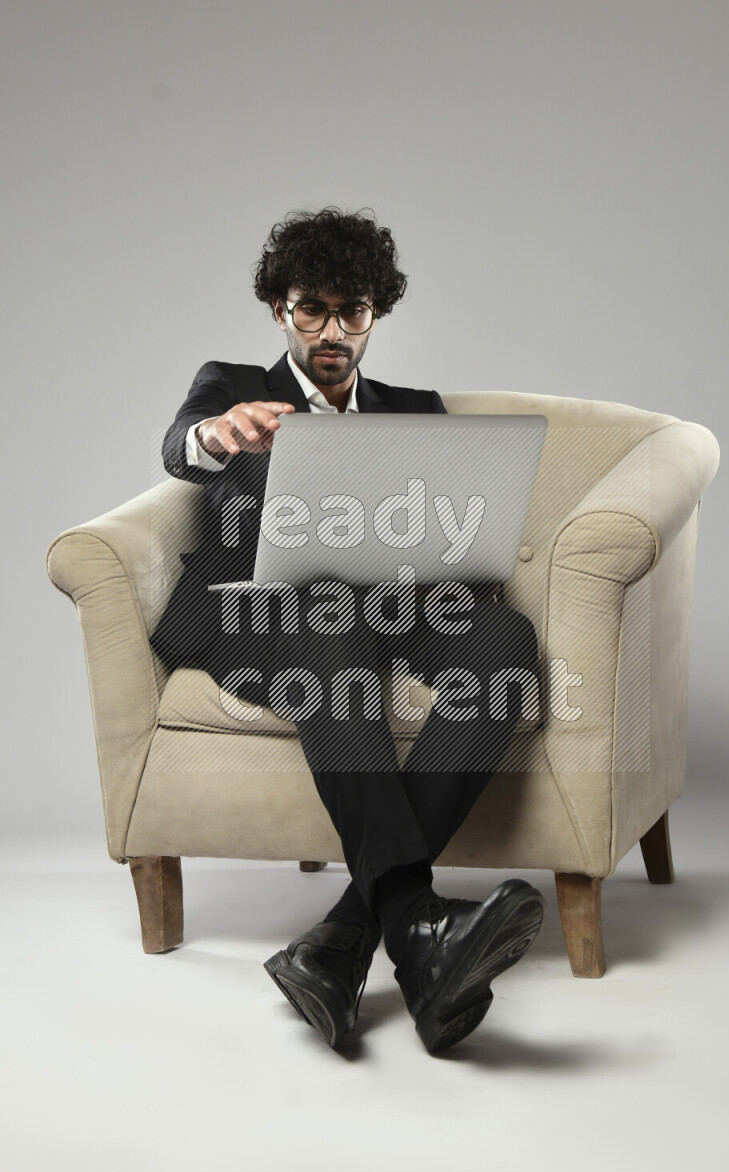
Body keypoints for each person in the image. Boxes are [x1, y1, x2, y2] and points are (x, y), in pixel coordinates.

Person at [151, 207, 545, 1054]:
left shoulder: (415, 410)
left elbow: (456, 542)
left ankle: (343, 943)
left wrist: (448, 543)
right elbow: (183, 445)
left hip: (390, 607)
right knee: (327, 619)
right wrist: (221, 435)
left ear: (377, 313)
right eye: (311, 309)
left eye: (352, 311)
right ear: (279, 310)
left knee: (503, 645)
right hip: (254, 616)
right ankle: (417, 929)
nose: (332, 331)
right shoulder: (230, 387)